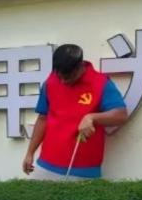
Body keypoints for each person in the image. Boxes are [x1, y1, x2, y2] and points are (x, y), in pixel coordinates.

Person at [23, 44, 129, 180]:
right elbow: (43, 118)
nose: (63, 81)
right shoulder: (50, 82)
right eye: (59, 76)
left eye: (68, 77)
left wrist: (92, 117)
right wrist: (30, 153)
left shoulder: (100, 83)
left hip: (83, 171)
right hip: (45, 165)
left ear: (80, 66)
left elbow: (121, 115)